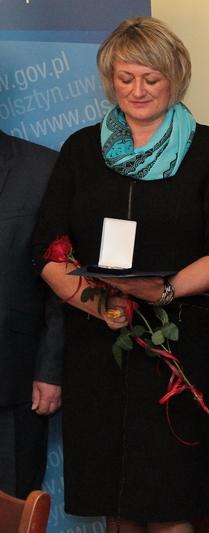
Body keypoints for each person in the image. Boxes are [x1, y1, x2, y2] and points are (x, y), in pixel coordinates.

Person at [31, 16, 209, 531]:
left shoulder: (208, 149)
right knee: (115, 500)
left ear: (175, 78)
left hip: (179, 353)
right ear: (110, 79)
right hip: (97, 353)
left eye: (151, 78)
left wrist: (166, 290)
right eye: (125, 78)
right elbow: (48, 251)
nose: (137, 90)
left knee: (171, 504)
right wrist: (100, 305)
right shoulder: (81, 149)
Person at [0, 130, 62, 499]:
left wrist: (51, 368)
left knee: (13, 513)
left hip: (13, 384)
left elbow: (62, 281)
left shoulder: (42, 168)